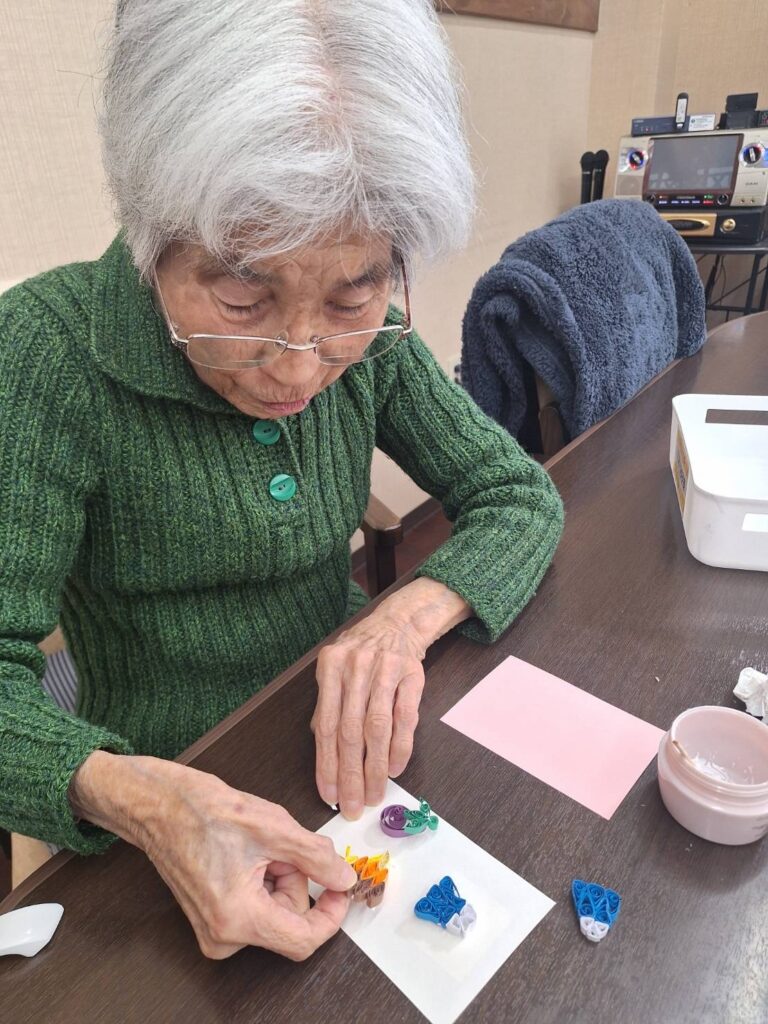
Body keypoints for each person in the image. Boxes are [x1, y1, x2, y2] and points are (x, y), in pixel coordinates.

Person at [0, 0, 563, 959]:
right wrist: (142, 798)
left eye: (352, 296)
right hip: (162, 790)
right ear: (150, 234)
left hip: (353, 751)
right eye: (240, 299)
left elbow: (518, 495)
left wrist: (400, 620)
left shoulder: (374, 345)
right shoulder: (46, 357)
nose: (300, 368)